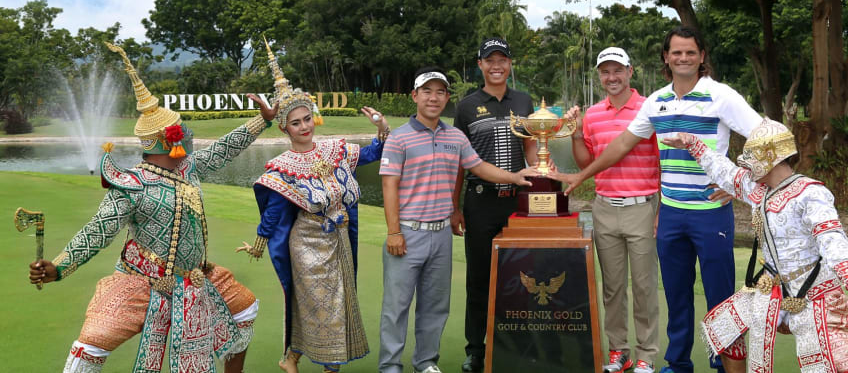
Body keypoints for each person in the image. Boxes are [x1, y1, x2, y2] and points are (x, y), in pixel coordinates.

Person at [28, 42, 276, 373]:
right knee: (89, 346)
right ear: (168, 140)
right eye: (182, 128)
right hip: (141, 281)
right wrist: (58, 267)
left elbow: (223, 149)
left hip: (195, 279)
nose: (188, 132)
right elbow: (97, 231)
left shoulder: (189, 167)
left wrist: (261, 121)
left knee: (244, 311)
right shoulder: (131, 185)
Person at [558, 26, 762, 373]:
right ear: (666, 58)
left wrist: (740, 182)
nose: (683, 58)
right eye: (676, 53)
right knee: (677, 294)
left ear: (702, 57)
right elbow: (622, 144)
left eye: (690, 53)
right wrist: (582, 175)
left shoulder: (721, 96)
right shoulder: (657, 101)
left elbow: (765, 137)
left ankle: (723, 363)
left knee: (719, 296)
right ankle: (678, 363)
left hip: (711, 212)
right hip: (671, 212)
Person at [659, 120, 848, 373]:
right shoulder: (760, 190)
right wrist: (693, 144)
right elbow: (724, 171)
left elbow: (830, 236)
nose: (746, 163)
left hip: (815, 293)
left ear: (770, 157)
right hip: (771, 289)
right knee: (723, 327)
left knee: (841, 364)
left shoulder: (811, 193)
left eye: (753, 156)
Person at [237, 42, 387, 372]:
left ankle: (293, 358)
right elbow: (275, 210)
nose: (304, 127)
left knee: (336, 304)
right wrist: (260, 243)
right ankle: (312, 362)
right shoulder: (282, 166)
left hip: (340, 241)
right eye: (296, 123)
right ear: (283, 128)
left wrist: (381, 131)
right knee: (317, 306)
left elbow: (371, 156)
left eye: (307, 119)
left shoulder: (335, 149)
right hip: (306, 244)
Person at [378, 67, 536, 373]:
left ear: (447, 98)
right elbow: (389, 186)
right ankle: (390, 366)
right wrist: (393, 231)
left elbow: (479, 167)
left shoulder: (456, 137)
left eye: (440, 92)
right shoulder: (399, 139)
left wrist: (515, 176)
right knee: (396, 307)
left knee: (435, 306)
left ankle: (425, 362)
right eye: (427, 91)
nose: (434, 98)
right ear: (415, 96)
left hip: (440, 235)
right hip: (408, 233)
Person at [565, 47, 661, 373]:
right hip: (604, 207)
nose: (611, 77)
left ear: (630, 72)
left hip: (643, 206)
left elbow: (664, 163)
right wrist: (577, 132)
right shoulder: (592, 114)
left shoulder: (649, 107)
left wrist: (661, 209)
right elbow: (586, 165)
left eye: (617, 70)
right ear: (599, 76)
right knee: (613, 287)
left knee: (645, 287)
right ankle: (618, 353)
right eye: (605, 72)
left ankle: (646, 354)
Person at [451, 38, 537, 372]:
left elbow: (531, 148)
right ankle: (476, 349)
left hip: (517, 205)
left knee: (521, 276)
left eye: (503, 59)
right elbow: (461, 161)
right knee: (479, 279)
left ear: (510, 64)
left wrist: (543, 173)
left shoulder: (524, 101)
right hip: (480, 203)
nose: (497, 65)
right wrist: (456, 207)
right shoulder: (467, 105)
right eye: (490, 60)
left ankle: (517, 342)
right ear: (481, 64)